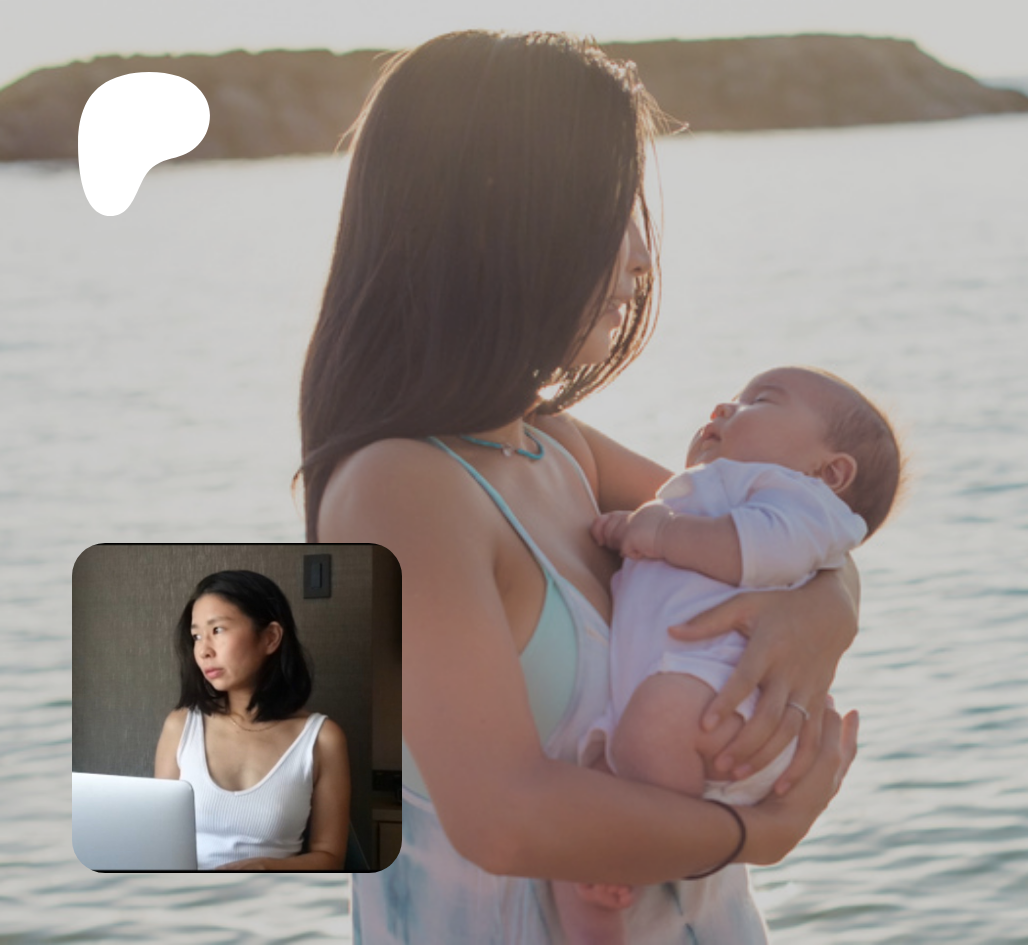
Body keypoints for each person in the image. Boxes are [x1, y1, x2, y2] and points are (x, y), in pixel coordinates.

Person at [298, 30, 860, 943]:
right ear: (496, 212)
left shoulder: (555, 447)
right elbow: (503, 816)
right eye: (611, 204)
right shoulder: (400, 489)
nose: (641, 251)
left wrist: (827, 608)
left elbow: (788, 524)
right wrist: (754, 834)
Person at [556, 366, 903, 942]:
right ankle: (599, 910)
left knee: (651, 727)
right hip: (698, 699)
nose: (722, 408)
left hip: (725, 701)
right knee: (591, 789)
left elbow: (772, 546)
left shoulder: (793, 497)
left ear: (831, 472)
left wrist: (658, 533)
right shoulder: (714, 494)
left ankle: (646, 854)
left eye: (758, 401)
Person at [153, 570, 352, 871]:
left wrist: (266, 868)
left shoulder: (323, 739)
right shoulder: (180, 726)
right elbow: (158, 840)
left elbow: (330, 857)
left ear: (270, 637)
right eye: (196, 636)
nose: (204, 650)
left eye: (217, 630)